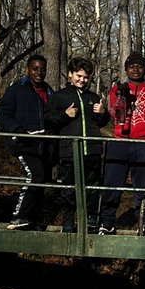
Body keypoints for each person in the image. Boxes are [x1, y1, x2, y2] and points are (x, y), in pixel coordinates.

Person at [97, 51, 145, 236]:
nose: (136, 70)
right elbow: (116, 115)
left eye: (140, 66)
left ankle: (142, 223)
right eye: (132, 67)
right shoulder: (117, 89)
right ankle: (107, 223)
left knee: (142, 188)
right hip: (120, 142)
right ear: (126, 69)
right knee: (112, 185)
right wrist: (122, 98)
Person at [45, 57, 109, 234]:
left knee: (92, 187)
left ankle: (91, 219)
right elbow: (48, 119)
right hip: (68, 150)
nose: (82, 80)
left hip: (92, 149)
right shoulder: (59, 96)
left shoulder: (94, 97)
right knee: (69, 187)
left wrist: (103, 113)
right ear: (70, 74)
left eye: (86, 77)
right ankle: (68, 220)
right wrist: (65, 115)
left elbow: (102, 122)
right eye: (79, 76)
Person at [0, 54, 56, 230]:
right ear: (27, 69)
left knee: (42, 180)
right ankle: (19, 216)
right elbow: (3, 115)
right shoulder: (17, 89)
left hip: (44, 144)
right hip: (24, 142)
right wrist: (17, 130)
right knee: (35, 175)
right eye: (35, 69)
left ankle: (31, 219)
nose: (39, 72)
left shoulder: (49, 91)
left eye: (42, 69)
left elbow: (50, 117)